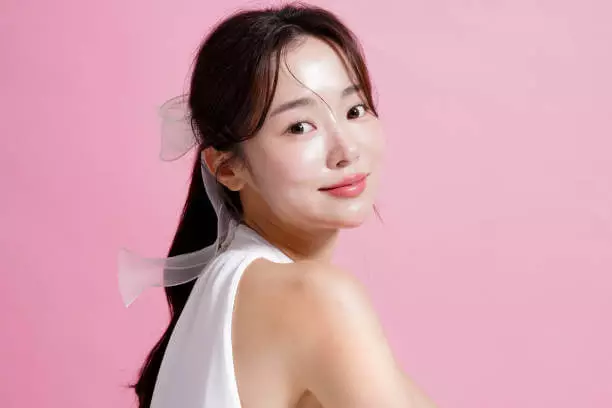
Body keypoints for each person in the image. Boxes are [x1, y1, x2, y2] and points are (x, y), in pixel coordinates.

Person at [123, 3, 438, 408]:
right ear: (227, 168)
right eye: (299, 127)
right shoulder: (314, 299)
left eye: (355, 110)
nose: (346, 150)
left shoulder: (229, 289)